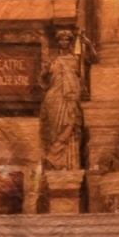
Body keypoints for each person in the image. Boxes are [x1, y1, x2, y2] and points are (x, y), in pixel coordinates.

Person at [40, 29, 85, 170]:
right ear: (58, 42)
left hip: (70, 96)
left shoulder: (76, 60)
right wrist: (45, 72)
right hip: (54, 97)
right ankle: (55, 157)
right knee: (55, 129)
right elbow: (43, 82)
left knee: (70, 123)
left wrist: (87, 44)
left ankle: (54, 155)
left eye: (66, 39)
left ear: (70, 42)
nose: (63, 42)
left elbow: (89, 67)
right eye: (61, 40)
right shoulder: (52, 61)